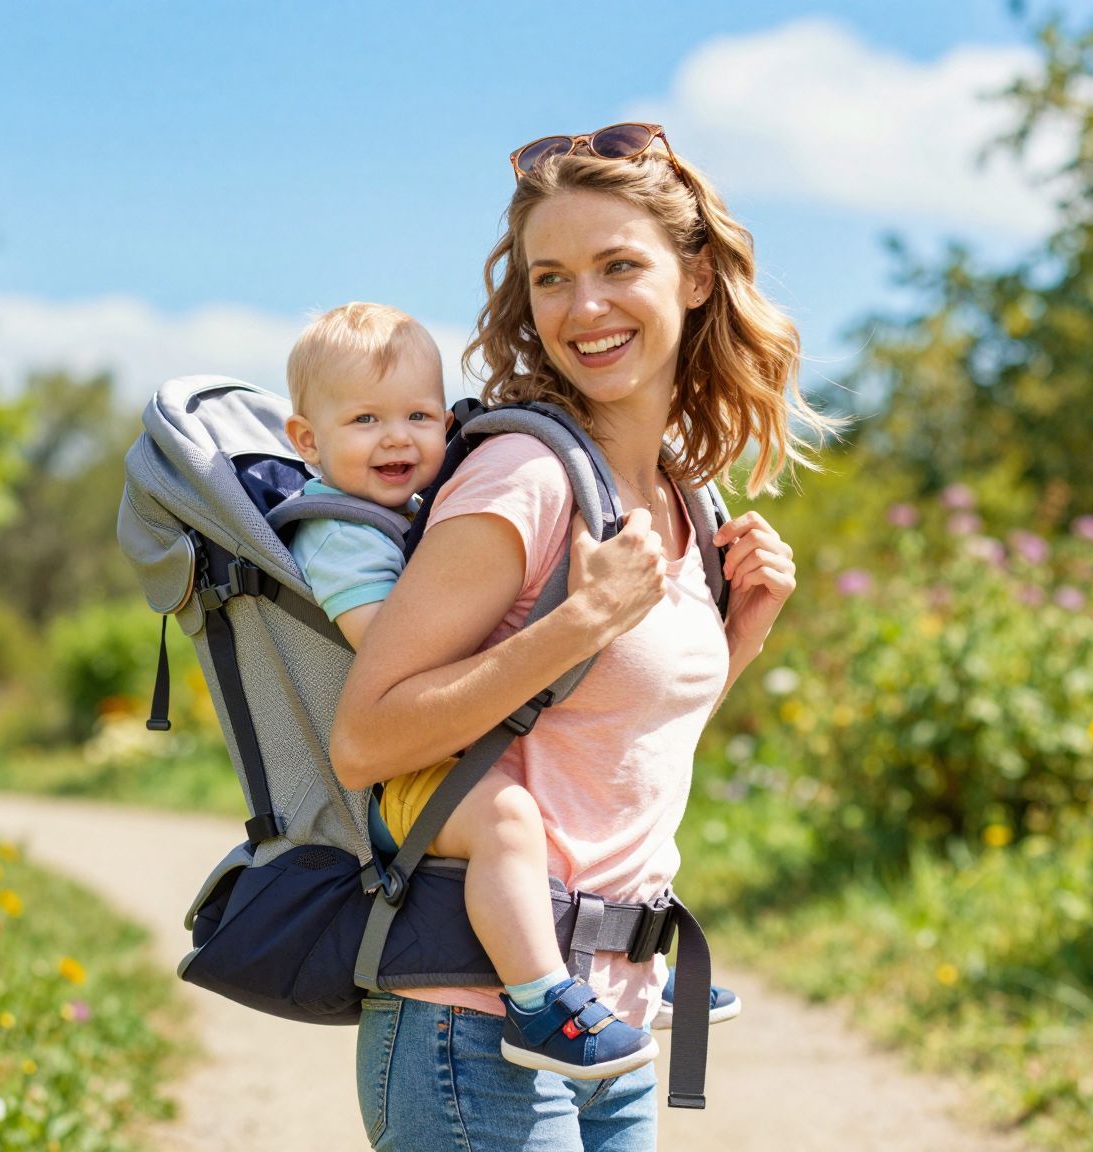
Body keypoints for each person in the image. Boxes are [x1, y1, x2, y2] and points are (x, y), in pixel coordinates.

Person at [329, 123, 842, 1151]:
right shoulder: (520, 478)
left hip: (609, 1020)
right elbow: (367, 740)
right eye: (551, 277)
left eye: (618, 267)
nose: (583, 308)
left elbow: (611, 743)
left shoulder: (681, 494)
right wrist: (579, 621)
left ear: (695, 277)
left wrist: (743, 631)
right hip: (471, 1027)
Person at [280, 301, 660, 1079]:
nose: (399, 437)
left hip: (434, 763)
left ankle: (625, 968)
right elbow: (389, 652)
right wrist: (550, 622)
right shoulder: (341, 533)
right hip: (402, 776)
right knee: (510, 820)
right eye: (364, 420)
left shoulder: (413, 512)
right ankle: (540, 1000)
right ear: (306, 441)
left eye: (420, 414)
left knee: (537, 812)